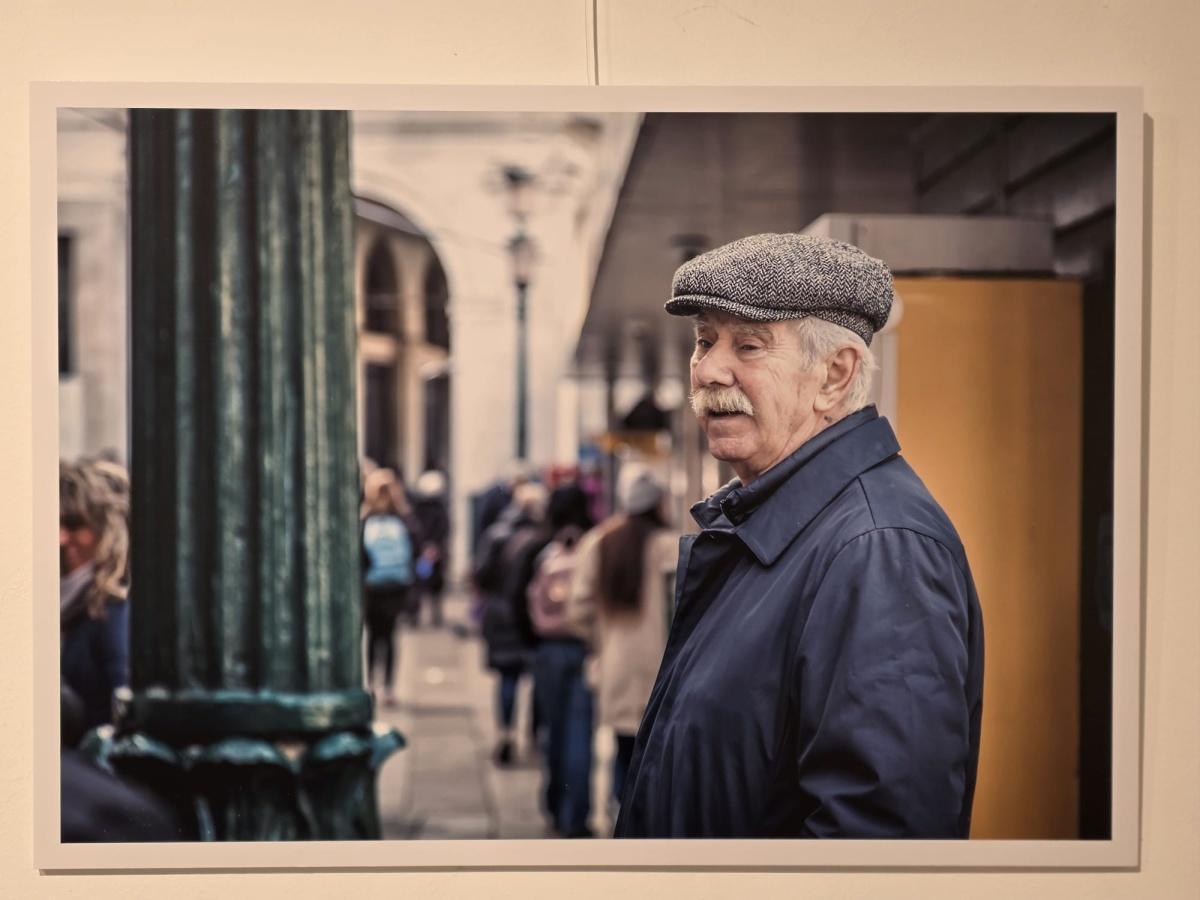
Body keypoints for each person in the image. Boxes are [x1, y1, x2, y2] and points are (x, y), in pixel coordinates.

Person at [614, 233, 985, 839]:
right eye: (704, 341)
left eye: (749, 345)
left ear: (834, 376)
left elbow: (879, 846)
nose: (707, 369)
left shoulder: (878, 548)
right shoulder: (779, 523)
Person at [566, 463, 677, 825]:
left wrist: (599, 640)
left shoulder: (599, 542)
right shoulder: (670, 547)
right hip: (661, 670)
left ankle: (618, 813)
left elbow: (577, 610)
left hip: (615, 665)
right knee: (656, 755)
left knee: (621, 747)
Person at [526, 481, 595, 837]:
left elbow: (521, 600)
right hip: (585, 648)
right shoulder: (594, 545)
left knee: (552, 731)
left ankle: (554, 804)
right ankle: (577, 814)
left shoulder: (543, 550)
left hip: (548, 650)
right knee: (580, 734)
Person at [475, 482, 549, 765]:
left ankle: (505, 734)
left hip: (500, 616)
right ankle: (535, 736)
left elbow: (481, 575)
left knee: (508, 678)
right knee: (537, 680)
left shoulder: (496, 534)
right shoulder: (543, 539)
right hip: (531, 617)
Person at [59, 459, 131, 733]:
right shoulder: (71, 608)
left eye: (76, 524)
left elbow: (122, 710)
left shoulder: (113, 612)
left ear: (109, 531)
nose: (61, 538)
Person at [360, 467, 421, 708]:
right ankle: (388, 686)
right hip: (397, 584)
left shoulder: (366, 518)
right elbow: (416, 548)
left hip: (372, 585)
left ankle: (371, 684)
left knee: (373, 635)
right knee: (390, 634)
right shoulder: (403, 518)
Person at [410, 469, 450, 628]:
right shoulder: (437, 508)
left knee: (424, 584)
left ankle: (422, 614)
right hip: (431, 550)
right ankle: (429, 614)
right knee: (429, 585)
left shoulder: (418, 508)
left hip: (426, 550)